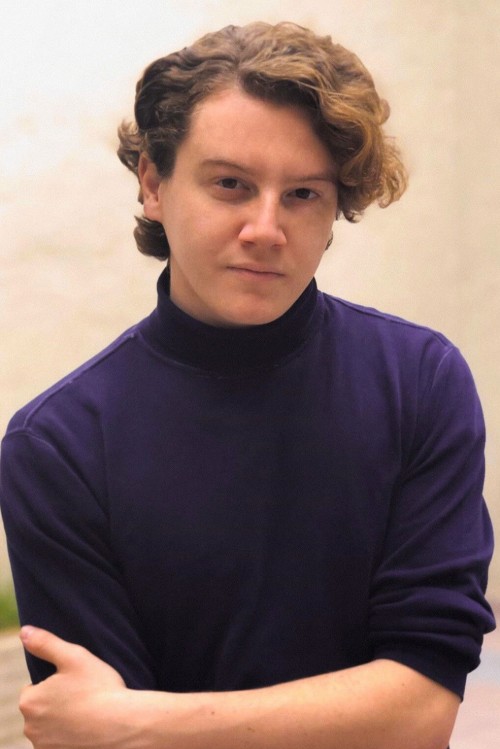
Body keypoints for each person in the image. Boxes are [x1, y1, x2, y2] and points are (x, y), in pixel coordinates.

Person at [0, 20, 495, 749]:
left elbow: (420, 710)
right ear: (154, 185)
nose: (266, 228)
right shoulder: (59, 444)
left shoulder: (418, 381)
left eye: (303, 194)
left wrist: (143, 721)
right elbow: (93, 733)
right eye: (231, 184)